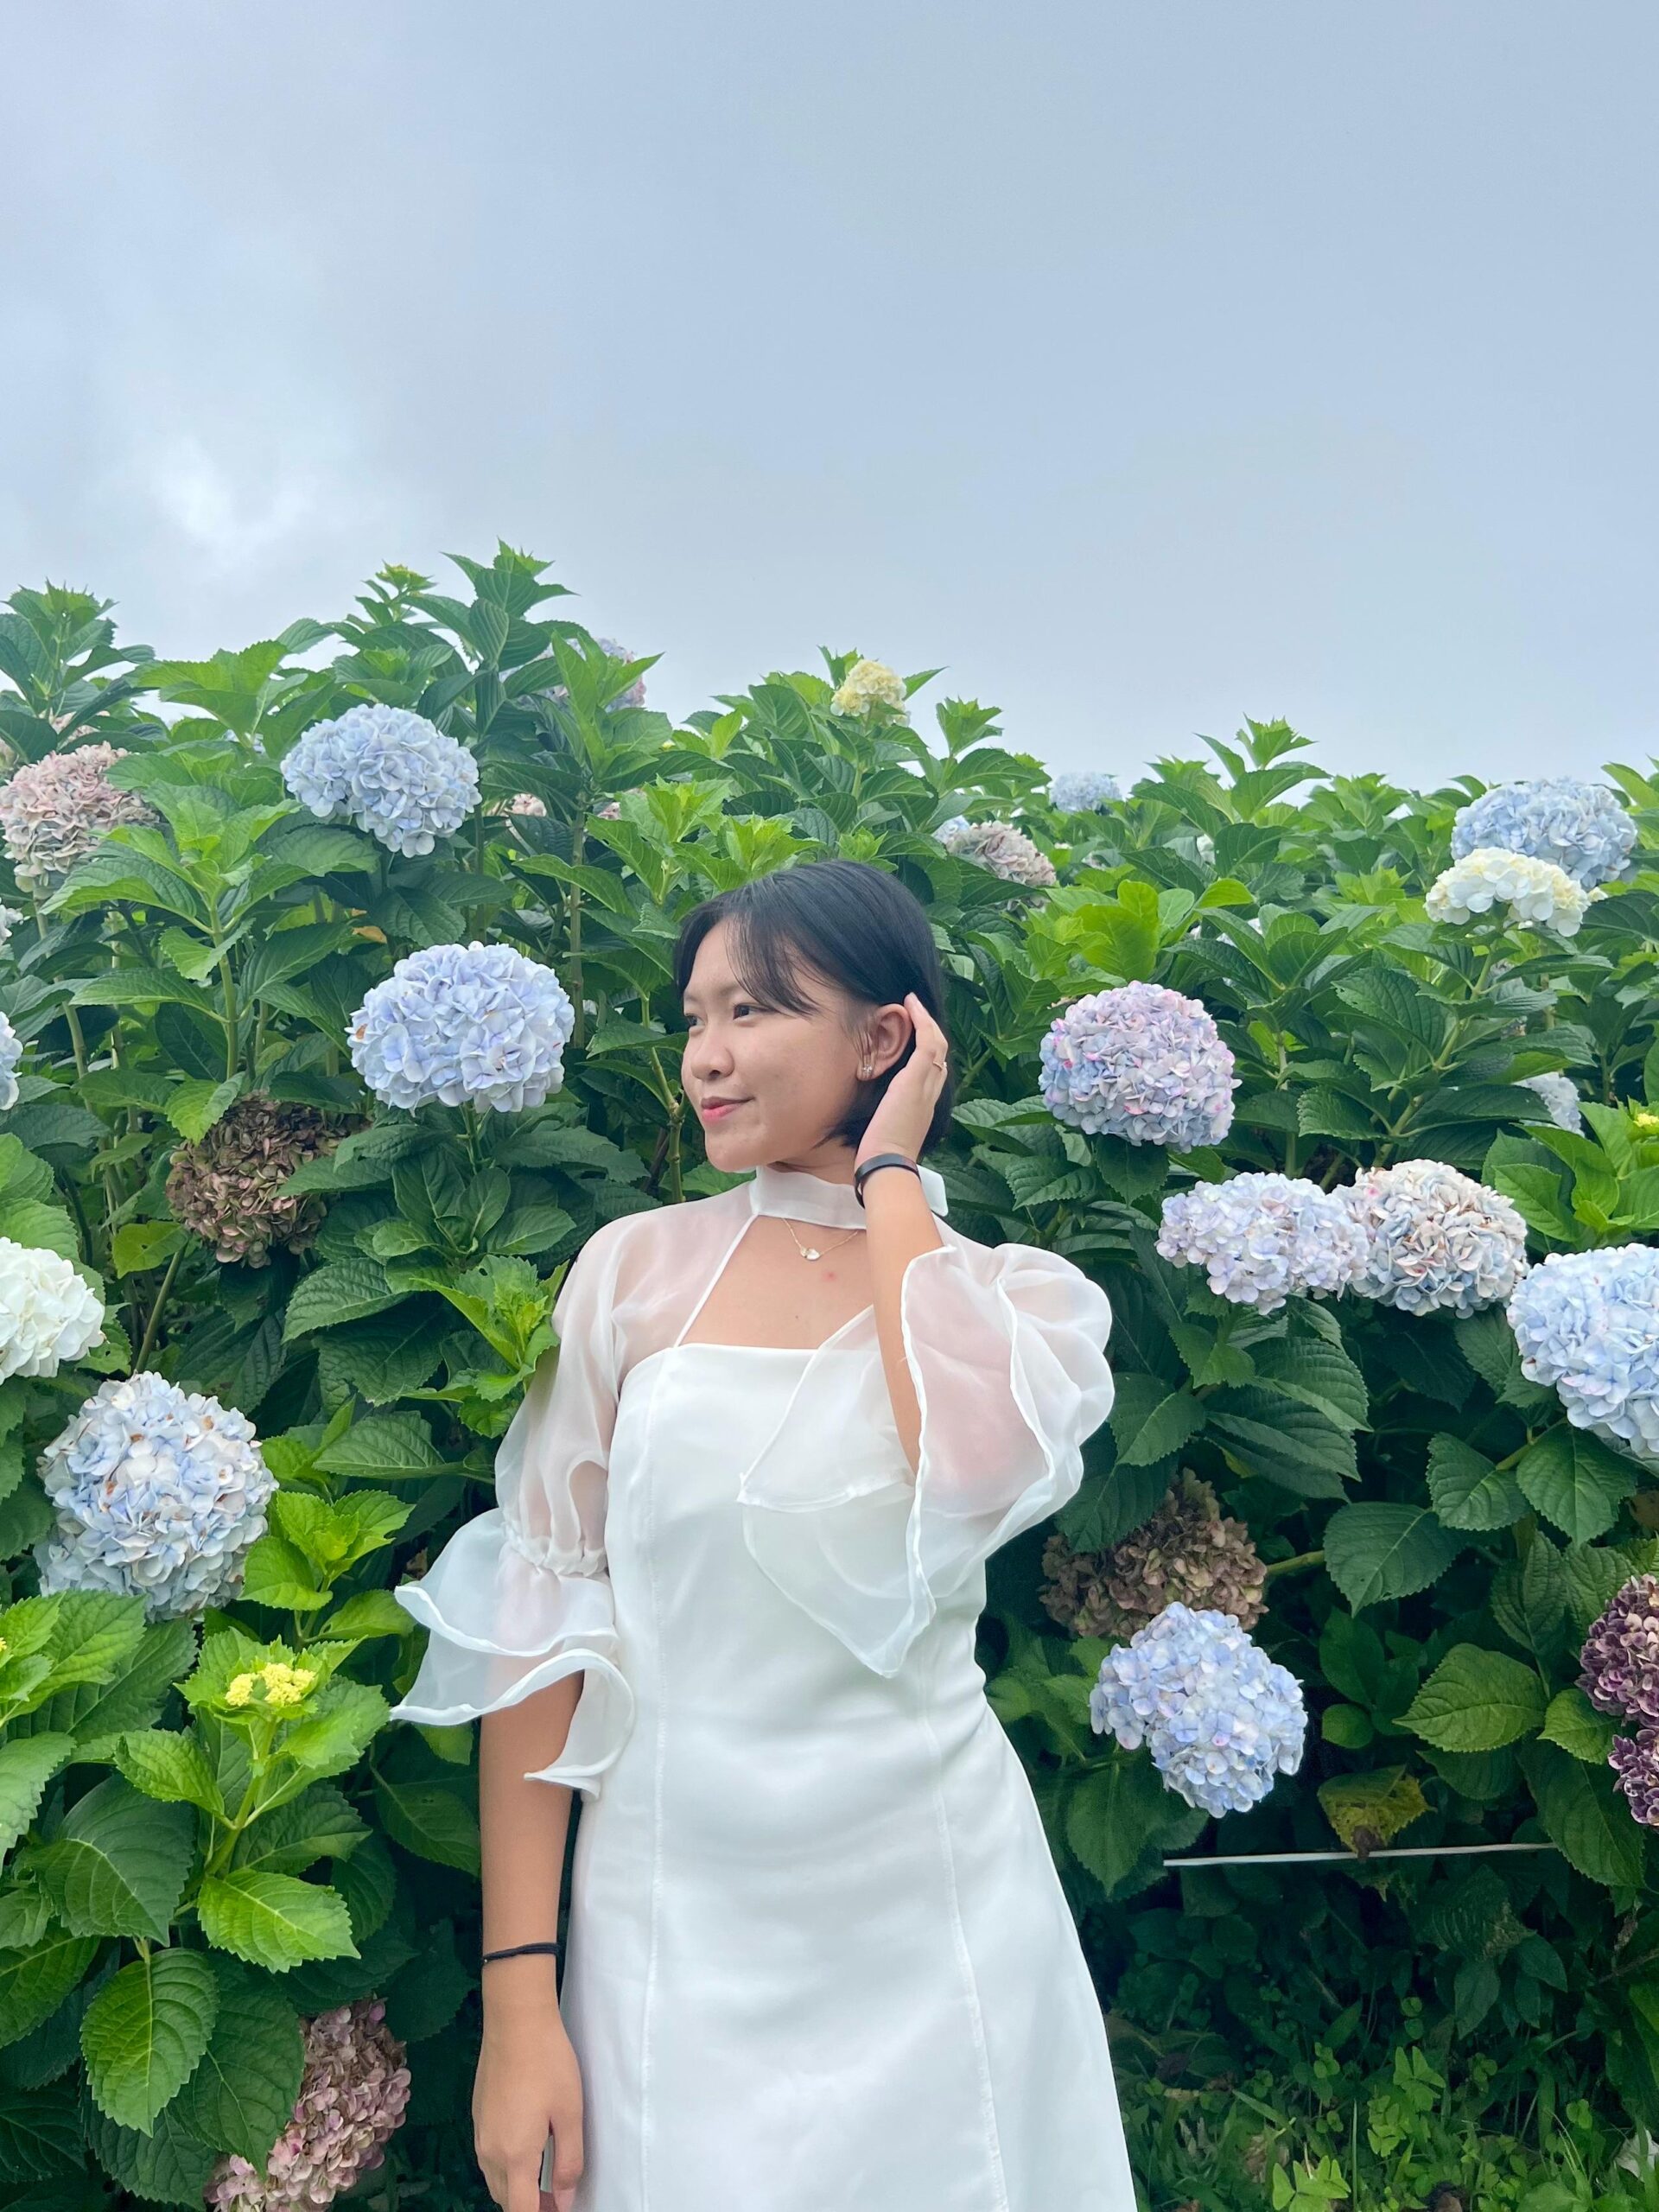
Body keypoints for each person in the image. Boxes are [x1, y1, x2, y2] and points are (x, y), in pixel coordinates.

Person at [387, 856, 1136, 2211]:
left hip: (938, 1910)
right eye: (694, 1018)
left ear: (884, 1037)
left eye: (753, 1010)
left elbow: (966, 1469)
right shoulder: (632, 1271)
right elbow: (543, 1637)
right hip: (671, 1923)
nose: (707, 1057)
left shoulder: (1014, 1303)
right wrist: (519, 2005)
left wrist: (890, 1170)